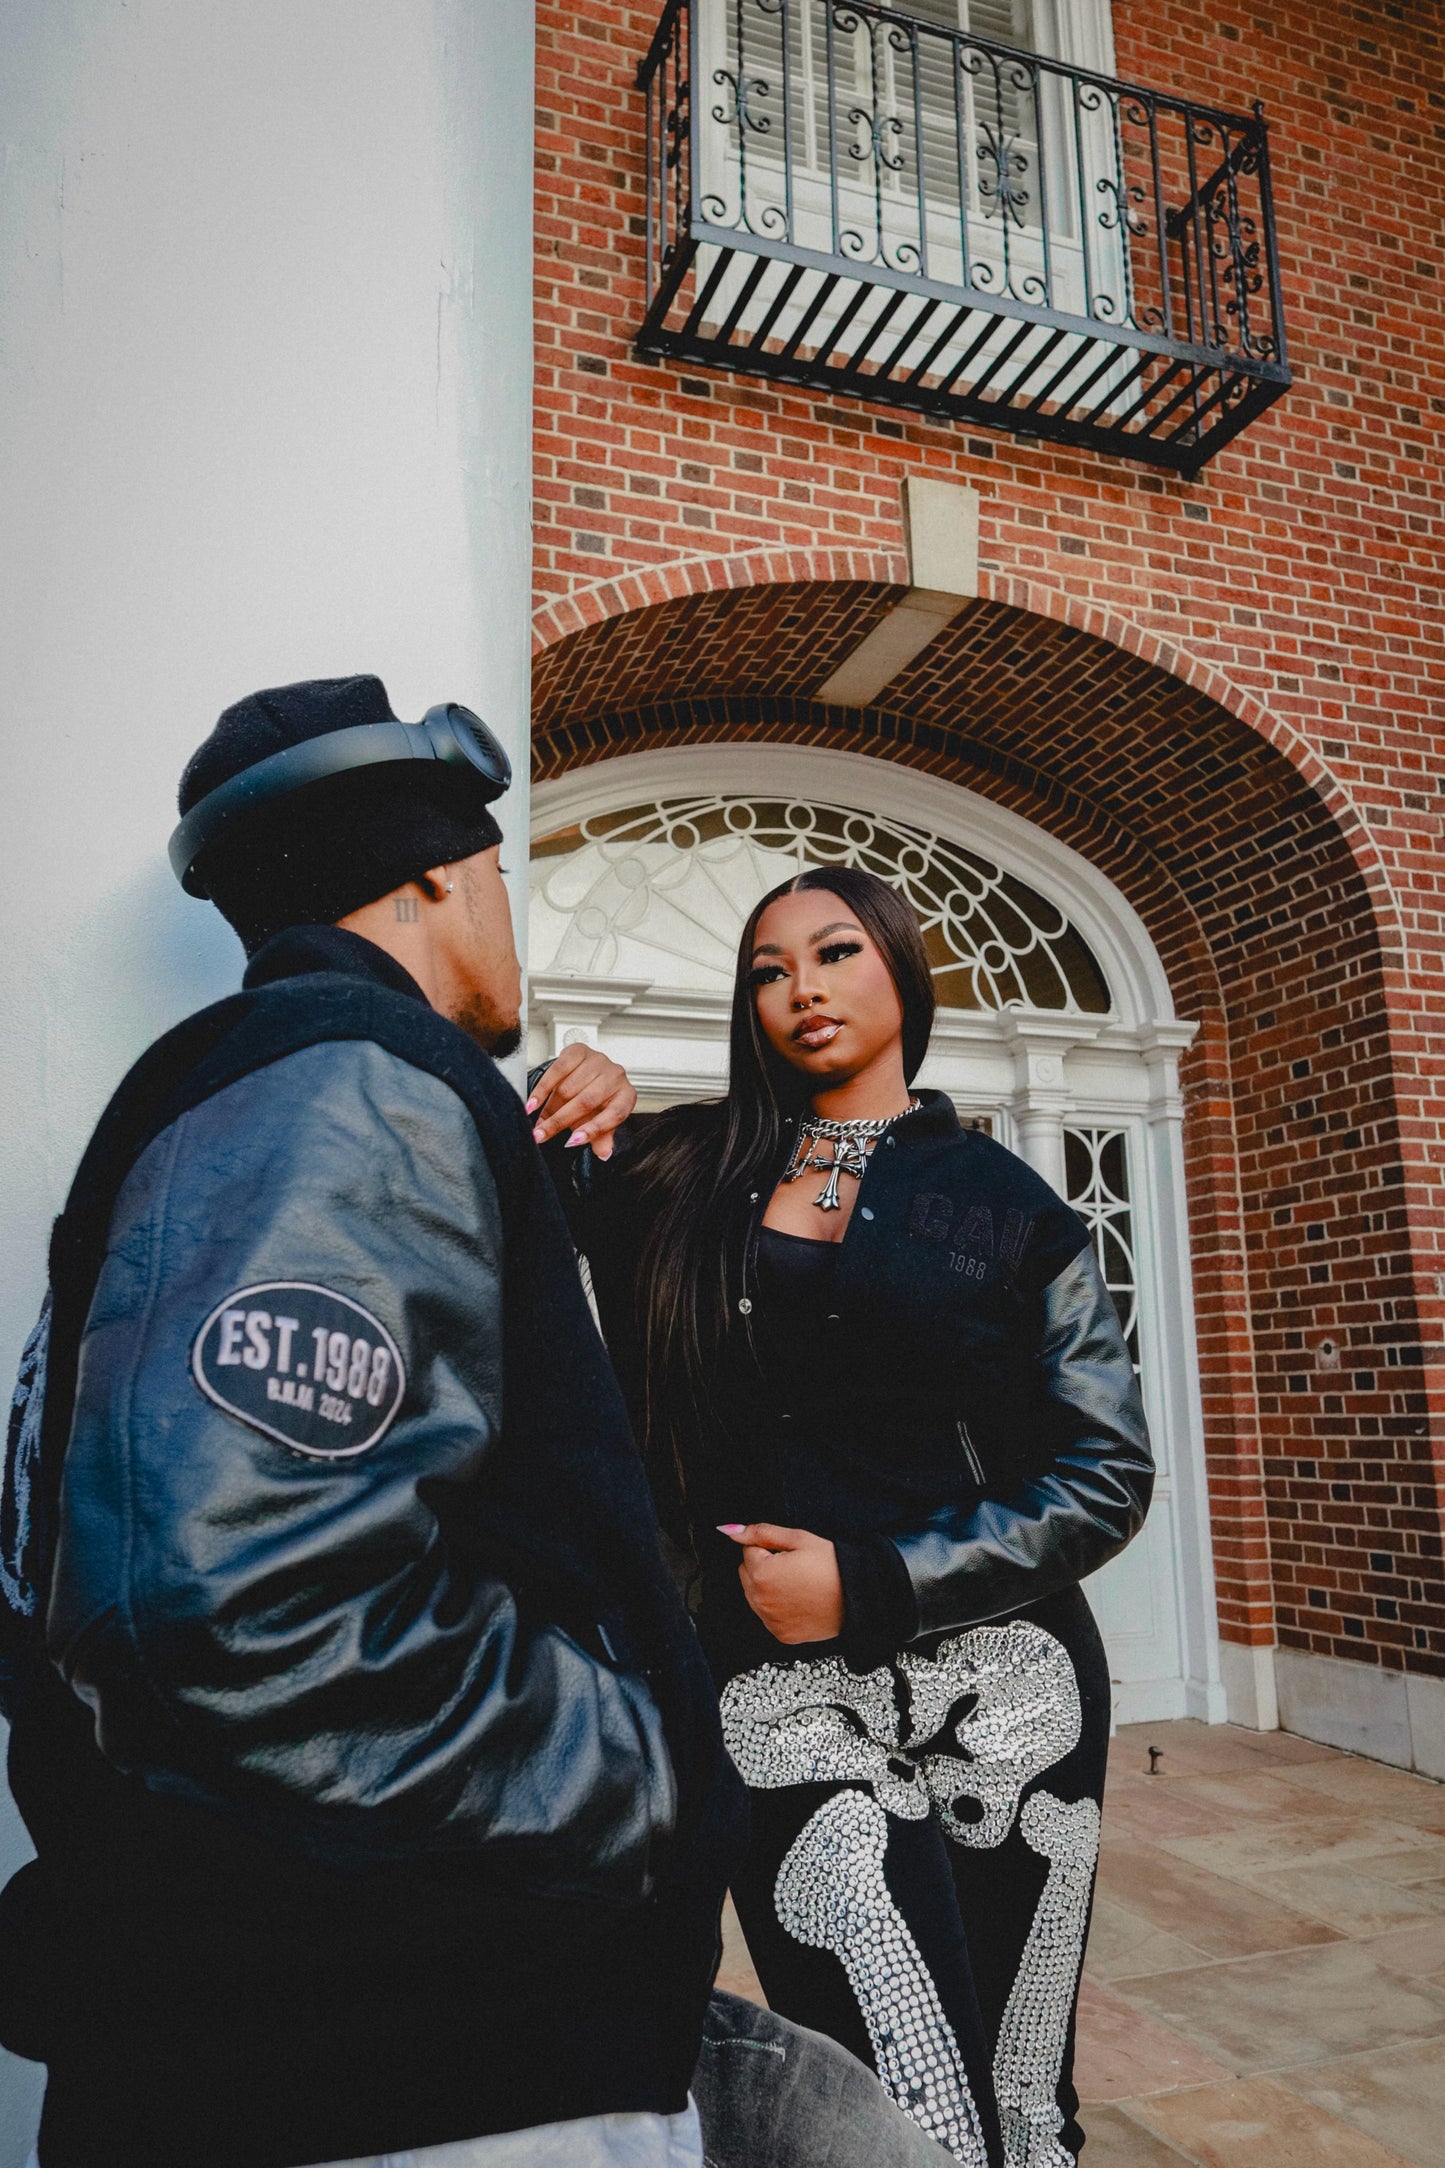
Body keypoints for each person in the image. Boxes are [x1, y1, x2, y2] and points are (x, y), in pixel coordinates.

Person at [0, 676, 751, 2168]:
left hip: (306, 2031)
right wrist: (626, 1779)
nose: (506, 918)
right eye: (495, 879)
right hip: (424, 2058)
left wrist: (549, 1188)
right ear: (428, 875)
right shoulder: (349, 1074)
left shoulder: (273, 1091)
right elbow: (227, 1601)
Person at [528, 865, 1154, 2168]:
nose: (800, 987)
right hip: (770, 1678)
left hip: (1006, 1677)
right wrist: (572, 1088)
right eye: (768, 969)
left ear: (901, 976)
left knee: (1017, 2085)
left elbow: (1103, 1470)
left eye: (834, 953)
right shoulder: (679, 1166)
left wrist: (870, 1581)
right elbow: (507, 1213)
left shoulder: (1001, 1205)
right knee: (885, 2083)